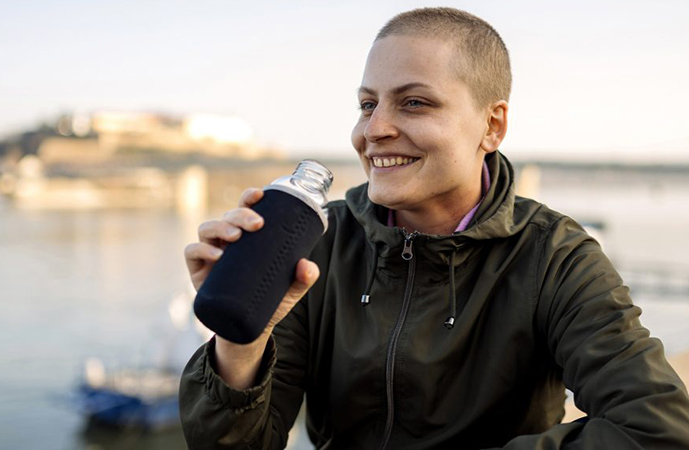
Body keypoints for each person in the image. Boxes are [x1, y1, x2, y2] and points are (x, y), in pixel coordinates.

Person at [179, 7, 689, 449]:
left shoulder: (555, 258)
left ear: (492, 126)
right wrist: (243, 341)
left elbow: (655, 429)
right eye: (367, 103)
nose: (373, 129)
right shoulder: (321, 244)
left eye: (415, 102)